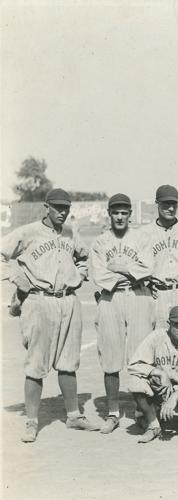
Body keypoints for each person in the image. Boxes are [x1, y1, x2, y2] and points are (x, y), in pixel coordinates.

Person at [1, 188, 99, 442]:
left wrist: (79, 276)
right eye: (57, 207)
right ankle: (32, 422)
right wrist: (16, 277)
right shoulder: (28, 232)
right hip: (39, 300)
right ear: (46, 207)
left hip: (67, 300)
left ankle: (74, 415)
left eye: (66, 208)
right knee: (36, 363)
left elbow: (85, 258)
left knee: (69, 362)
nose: (62, 212)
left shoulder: (70, 232)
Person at [89, 193, 155, 434]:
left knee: (141, 356)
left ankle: (142, 412)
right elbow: (99, 275)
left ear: (130, 214)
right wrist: (129, 272)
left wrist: (121, 268)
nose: (119, 216)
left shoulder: (141, 238)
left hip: (138, 295)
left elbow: (147, 269)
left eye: (123, 212)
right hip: (110, 297)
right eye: (115, 212)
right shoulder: (99, 242)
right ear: (109, 214)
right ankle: (113, 413)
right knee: (110, 355)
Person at [127, 305, 178, 443]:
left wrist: (175, 397)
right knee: (135, 382)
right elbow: (134, 365)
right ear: (169, 324)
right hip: (161, 388)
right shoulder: (157, 337)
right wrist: (157, 372)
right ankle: (153, 424)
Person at [141, 184, 178, 328]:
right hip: (157, 294)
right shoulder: (143, 233)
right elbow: (137, 266)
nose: (171, 208)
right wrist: (146, 286)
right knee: (158, 337)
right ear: (157, 204)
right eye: (166, 204)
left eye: (174, 204)